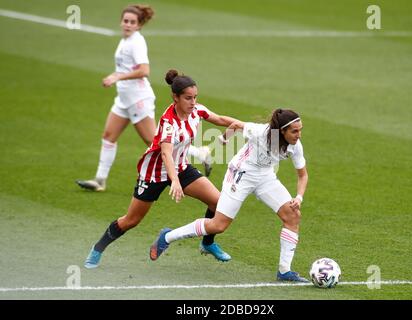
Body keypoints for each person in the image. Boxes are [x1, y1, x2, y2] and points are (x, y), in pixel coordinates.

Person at [84, 69, 241, 268]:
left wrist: (247, 126)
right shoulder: (168, 123)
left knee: (218, 203)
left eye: (195, 97)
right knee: (131, 220)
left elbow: (220, 120)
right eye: (188, 98)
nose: (193, 102)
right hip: (154, 174)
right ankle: (98, 248)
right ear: (175, 97)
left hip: (181, 168)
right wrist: (174, 181)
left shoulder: (197, 111)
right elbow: (166, 153)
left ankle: (207, 244)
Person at [149, 109, 310, 282]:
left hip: (265, 177)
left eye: (300, 130)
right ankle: (167, 236)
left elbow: (303, 175)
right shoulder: (260, 132)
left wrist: (298, 197)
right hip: (241, 174)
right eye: (294, 131)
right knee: (218, 225)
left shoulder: (295, 146)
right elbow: (235, 124)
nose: (299, 135)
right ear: (281, 131)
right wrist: (224, 139)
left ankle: (285, 271)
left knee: (293, 216)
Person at [76, 5, 212, 192]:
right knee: (109, 136)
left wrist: (117, 77)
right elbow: (126, 67)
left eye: (133, 22)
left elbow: (143, 70)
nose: (128, 25)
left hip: (138, 99)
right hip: (124, 98)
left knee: (154, 141)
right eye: (126, 21)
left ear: (139, 25)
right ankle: (100, 180)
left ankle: (199, 153)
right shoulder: (125, 40)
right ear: (121, 22)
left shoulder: (136, 42)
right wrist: (117, 76)